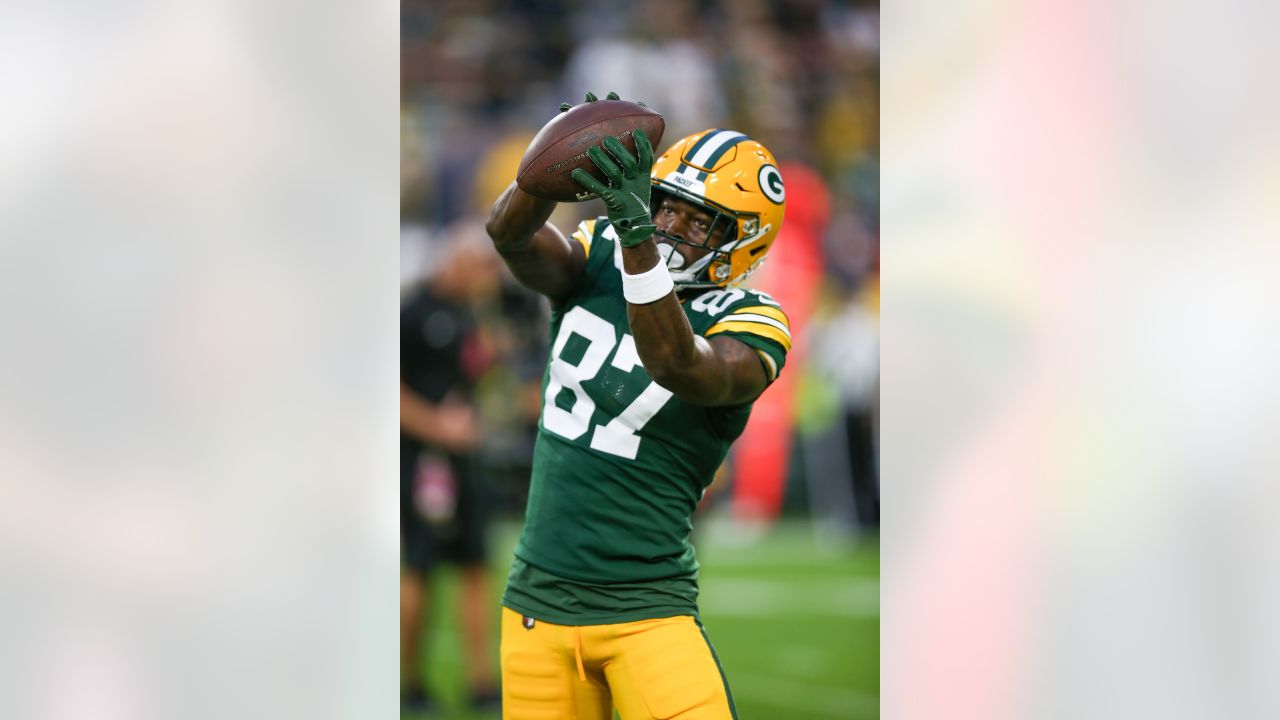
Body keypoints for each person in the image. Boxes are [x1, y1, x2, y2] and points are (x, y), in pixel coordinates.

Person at [485, 92, 790, 720]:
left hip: (646, 611)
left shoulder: (754, 322)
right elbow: (509, 236)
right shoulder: (600, 252)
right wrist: (556, 150)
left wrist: (637, 238)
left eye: (698, 220)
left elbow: (679, 364)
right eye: (667, 206)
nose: (673, 226)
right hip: (535, 606)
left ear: (744, 240)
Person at [400, 228, 503, 716]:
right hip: (420, 459)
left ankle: (481, 680)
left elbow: (484, 372)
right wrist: (437, 428)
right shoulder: (412, 312)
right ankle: (409, 680)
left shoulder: (471, 314)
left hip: (461, 459)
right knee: (417, 568)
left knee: (475, 564)